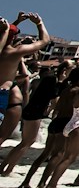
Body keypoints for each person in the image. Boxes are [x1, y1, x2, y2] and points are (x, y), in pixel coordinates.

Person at [0, 12, 51, 149]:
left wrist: (15, 23)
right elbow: (45, 41)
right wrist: (39, 23)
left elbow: (6, 35)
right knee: (1, 136)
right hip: (2, 94)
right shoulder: (14, 52)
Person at [1, 59, 58, 175]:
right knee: (27, 143)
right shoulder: (51, 86)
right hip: (35, 113)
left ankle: (4, 167)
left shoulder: (38, 83)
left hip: (29, 110)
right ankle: (8, 169)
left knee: (24, 143)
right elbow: (54, 103)